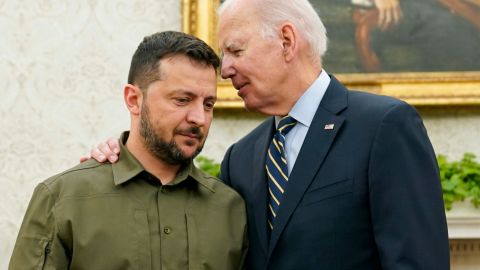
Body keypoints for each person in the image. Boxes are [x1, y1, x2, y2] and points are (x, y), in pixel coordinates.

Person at [87, 0, 450, 269]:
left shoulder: (384, 126)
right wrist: (121, 155)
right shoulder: (242, 157)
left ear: (287, 41)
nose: (225, 70)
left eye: (235, 50)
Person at [10, 31, 247, 270]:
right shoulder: (62, 199)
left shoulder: (230, 209)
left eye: (208, 104)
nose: (199, 118)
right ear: (134, 99)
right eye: (182, 100)